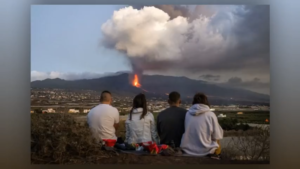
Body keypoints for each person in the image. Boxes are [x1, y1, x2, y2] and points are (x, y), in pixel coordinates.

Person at [180, 93, 223, 159]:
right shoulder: (210, 115)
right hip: (206, 151)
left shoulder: (188, 114)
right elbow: (217, 135)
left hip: (187, 150)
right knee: (217, 140)